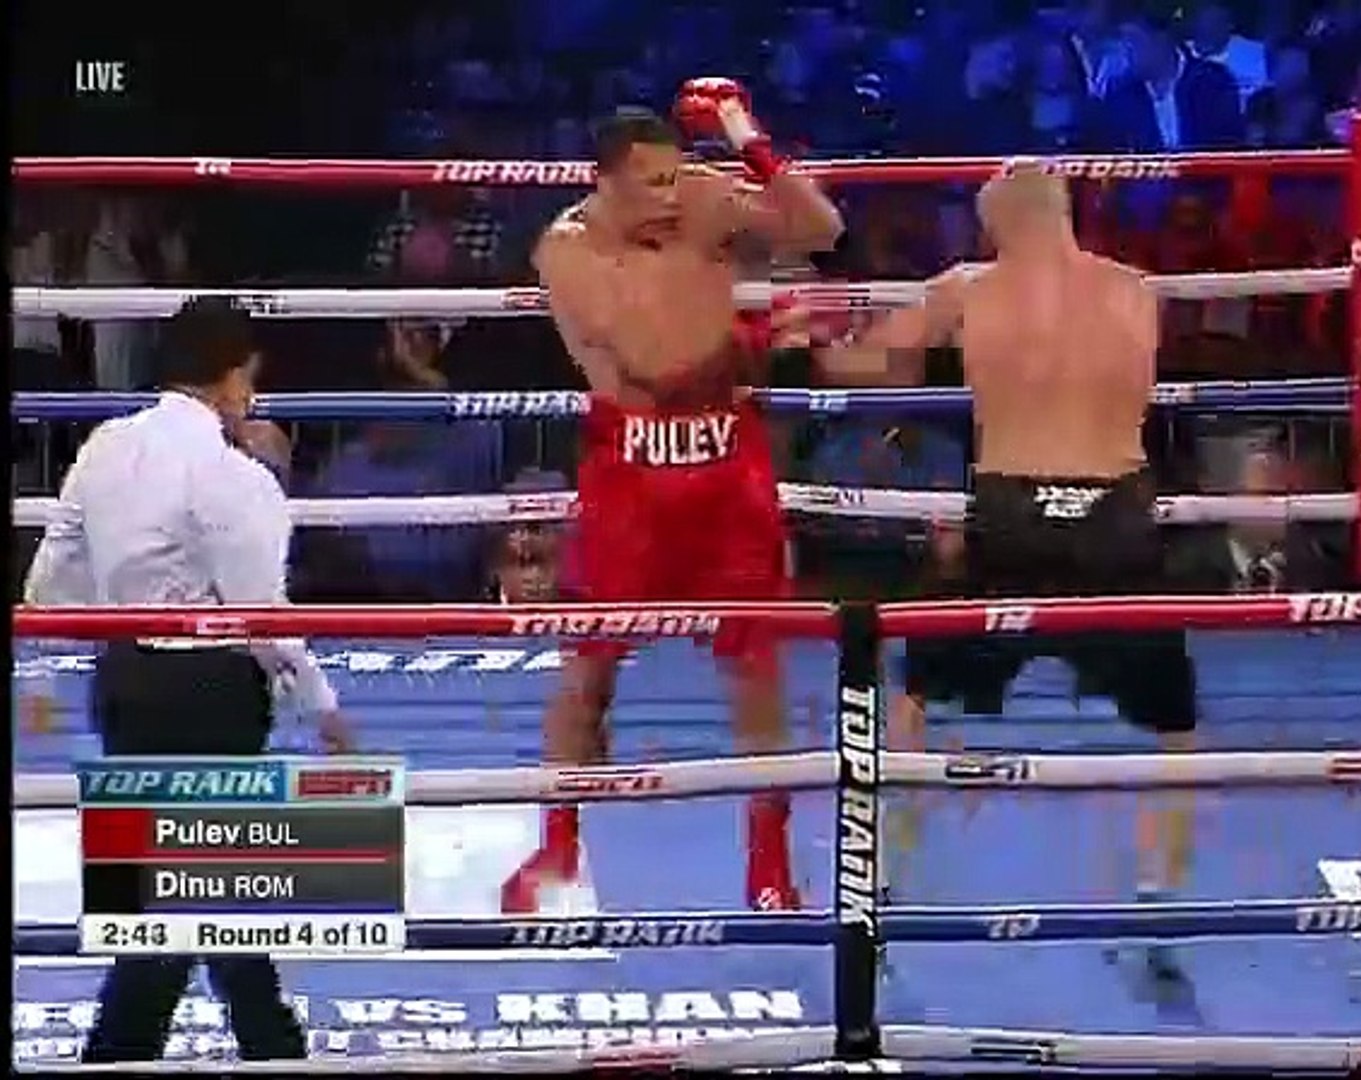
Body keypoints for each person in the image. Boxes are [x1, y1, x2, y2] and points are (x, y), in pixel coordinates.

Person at [812, 162, 1199, 946]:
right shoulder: (1136, 291)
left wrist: (813, 335)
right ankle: (1162, 886)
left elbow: (865, 367)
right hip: (1116, 516)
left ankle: (885, 868)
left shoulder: (969, 288)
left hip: (1013, 512)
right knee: (1174, 721)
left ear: (995, 225)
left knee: (914, 691)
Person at [504, 89, 843, 914]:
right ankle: (557, 846)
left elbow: (820, 230)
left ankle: (769, 865)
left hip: (728, 466)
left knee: (755, 667)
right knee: (590, 667)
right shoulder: (568, 249)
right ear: (606, 180)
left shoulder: (699, 197)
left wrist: (742, 134)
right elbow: (653, 363)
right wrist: (758, 338)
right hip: (633, 471)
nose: (669, 194)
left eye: (675, 175)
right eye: (652, 182)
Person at [21, 295, 351, 1062]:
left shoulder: (105, 446)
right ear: (235, 377)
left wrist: (93, 631)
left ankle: (259, 1043)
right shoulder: (231, 475)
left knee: (185, 883)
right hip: (211, 693)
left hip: (125, 683)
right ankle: (212, 1048)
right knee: (199, 888)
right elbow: (261, 614)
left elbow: (52, 579)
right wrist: (322, 705)